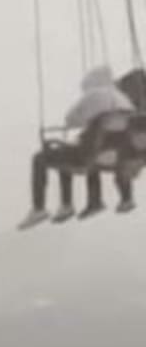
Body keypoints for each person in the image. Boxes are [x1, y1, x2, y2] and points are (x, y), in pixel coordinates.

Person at [22, 64, 137, 228]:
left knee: (41, 158)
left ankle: (41, 208)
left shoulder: (93, 95)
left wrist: (86, 118)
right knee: (75, 154)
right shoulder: (124, 100)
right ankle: (94, 201)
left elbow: (70, 119)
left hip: (90, 156)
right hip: (117, 155)